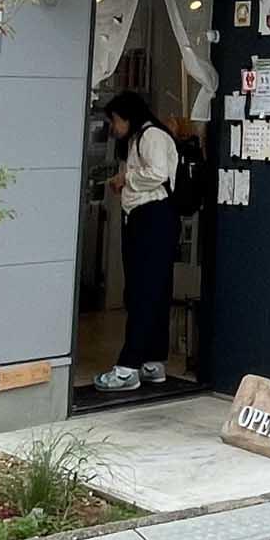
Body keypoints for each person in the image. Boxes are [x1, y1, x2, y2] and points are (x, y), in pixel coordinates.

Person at [95, 91, 179, 393]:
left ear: (128, 117)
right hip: (152, 219)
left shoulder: (151, 136)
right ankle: (153, 362)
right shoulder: (142, 137)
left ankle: (128, 366)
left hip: (151, 219)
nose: (114, 128)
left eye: (115, 121)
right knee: (154, 290)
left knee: (143, 291)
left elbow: (157, 174)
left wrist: (125, 179)